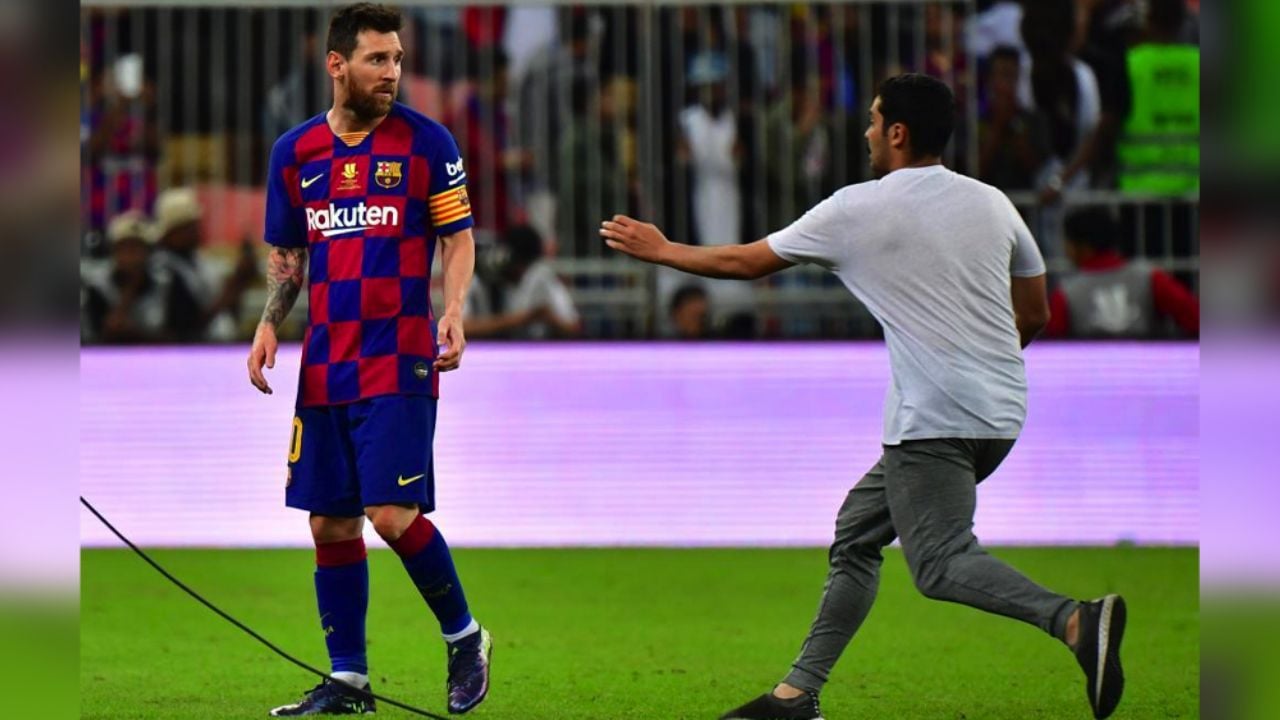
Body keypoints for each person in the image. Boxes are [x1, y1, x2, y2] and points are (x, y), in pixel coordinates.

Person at [601, 74, 1127, 720]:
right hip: (1003, 412)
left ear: (899, 135)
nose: (868, 131)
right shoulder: (994, 204)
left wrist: (661, 250)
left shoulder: (856, 209)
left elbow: (746, 264)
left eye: (876, 120)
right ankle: (796, 695)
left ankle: (1076, 621)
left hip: (935, 418)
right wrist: (983, 363)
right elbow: (1038, 309)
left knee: (939, 564)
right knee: (856, 533)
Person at [245, 4, 491, 715]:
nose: (392, 73)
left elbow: (458, 237)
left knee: (389, 513)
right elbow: (289, 255)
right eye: (377, 59)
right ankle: (349, 679)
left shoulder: (426, 142)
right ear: (336, 64)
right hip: (326, 360)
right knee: (329, 523)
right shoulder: (294, 153)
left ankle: (465, 636)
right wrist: (268, 324)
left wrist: (453, 308)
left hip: (398, 356)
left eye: (397, 60)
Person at [1048, 207, 1199, 338]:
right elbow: (1195, 317)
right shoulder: (1150, 277)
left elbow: (1051, 348)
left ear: (1082, 246)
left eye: (1067, 243)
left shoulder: (1066, 293)